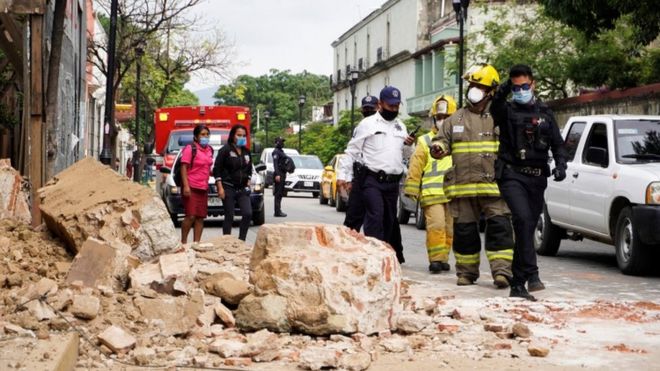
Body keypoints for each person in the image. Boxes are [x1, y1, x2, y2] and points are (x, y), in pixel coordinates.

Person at [430, 63, 514, 288]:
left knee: (499, 230)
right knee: (465, 233)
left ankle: (502, 272)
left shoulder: (500, 117)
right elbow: (441, 141)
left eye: (478, 85)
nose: (472, 89)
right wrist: (438, 147)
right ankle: (466, 273)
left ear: (491, 91)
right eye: (471, 85)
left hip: (493, 187)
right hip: (463, 188)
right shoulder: (455, 119)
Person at [490, 64, 567, 301]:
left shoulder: (545, 112)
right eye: (516, 87)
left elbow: (557, 143)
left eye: (524, 86)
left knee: (528, 227)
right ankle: (526, 277)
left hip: (537, 177)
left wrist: (561, 165)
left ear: (533, 84)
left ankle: (522, 282)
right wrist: (503, 89)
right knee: (522, 220)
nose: (521, 90)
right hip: (512, 175)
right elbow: (494, 108)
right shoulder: (507, 110)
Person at [338, 86, 415, 263]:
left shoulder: (400, 126)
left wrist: (408, 145)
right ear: (380, 104)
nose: (394, 110)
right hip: (372, 179)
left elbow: (404, 156)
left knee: (389, 220)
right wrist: (344, 175)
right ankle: (373, 258)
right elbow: (352, 151)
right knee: (375, 215)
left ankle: (385, 254)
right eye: (390, 106)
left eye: (396, 106)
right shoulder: (368, 124)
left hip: (392, 183)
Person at [404, 95, 456, 273]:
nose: (442, 121)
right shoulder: (425, 140)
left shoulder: (458, 140)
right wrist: (412, 187)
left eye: (446, 117)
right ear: (434, 118)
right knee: (437, 226)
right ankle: (435, 259)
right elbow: (416, 164)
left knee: (449, 229)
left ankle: (443, 258)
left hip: (452, 193)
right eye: (440, 117)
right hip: (432, 193)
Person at [342, 94, 378, 232]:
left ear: (378, 108)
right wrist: (348, 177)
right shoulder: (360, 128)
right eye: (366, 109)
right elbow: (352, 153)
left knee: (375, 220)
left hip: (376, 177)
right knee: (353, 219)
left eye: (371, 108)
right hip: (360, 175)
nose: (368, 111)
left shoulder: (386, 126)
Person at [213, 125, 253, 241]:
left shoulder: (246, 152)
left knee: (247, 213)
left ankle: (241, 241)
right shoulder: (225, 150)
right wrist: (220, 188)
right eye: (239, 135)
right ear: (233, 136)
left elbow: (249, 169)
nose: (242, 137)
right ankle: (227, 242)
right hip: (228, 187)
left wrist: (248, 182)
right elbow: (217, 170)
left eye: (244, 136)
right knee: (229, 215)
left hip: (242, 188)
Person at [180, 125, 214, 245]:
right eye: (202, 134)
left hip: (203, 187)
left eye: (207, 135)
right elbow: (184, 167)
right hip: (191, 186)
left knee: (200, 217)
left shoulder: (210, 150)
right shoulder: (190, 148)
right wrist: (186, 186)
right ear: (196, 136)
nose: (205, 137)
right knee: (190, 216)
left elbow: (208, 168)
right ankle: (183, 242)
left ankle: (196, 243)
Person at [272, 136, 288, 217]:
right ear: (277, 142)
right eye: (281, 141)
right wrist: (277, 174)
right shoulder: (276, 152)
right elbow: (275, 164)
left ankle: (278, 210)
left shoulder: (281, 151)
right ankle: (277, 211)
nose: (282, 143)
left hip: (282, 174)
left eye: (283, 142)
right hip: (279, 174)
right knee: (278, 193)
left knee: (281, 193)